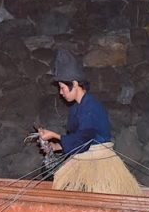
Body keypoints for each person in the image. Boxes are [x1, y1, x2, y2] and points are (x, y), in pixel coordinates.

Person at [37, 49, 142, 195]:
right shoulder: (77, 107)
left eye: (62, 88)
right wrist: (54, 146)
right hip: (85, 158)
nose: (60, 92)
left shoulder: (91, 107)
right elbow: (78, 139)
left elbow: (83, 140)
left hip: (99, 162)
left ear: (74, 84)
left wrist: (56, 135)